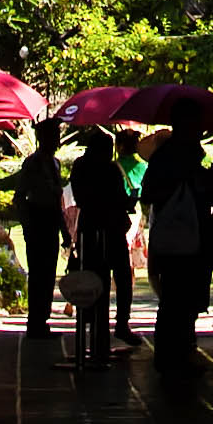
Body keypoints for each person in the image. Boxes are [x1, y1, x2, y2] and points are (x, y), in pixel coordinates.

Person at [145, 115, 213, 391]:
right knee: (181, 300)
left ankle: (173, 354)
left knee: (175, 299)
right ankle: (177, 353)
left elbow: (148, 193)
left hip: (175, 238)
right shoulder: (181, 162)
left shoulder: (163, 159)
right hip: (186, 238)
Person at [67, 117, 135, 353]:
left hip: (96, 227)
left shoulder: (83, 167)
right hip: (106, 229)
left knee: (105, 278)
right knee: (115, 278)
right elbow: (116, 198)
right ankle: (114, 323)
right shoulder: (105, 170)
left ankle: (105, 324)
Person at [12, 121, 66, 347]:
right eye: (52, 136)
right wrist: (28, 225)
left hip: (51, 222)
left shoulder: (54, 163)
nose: (56, 141)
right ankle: (35, 322)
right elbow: (20, 197)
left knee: (48, 275)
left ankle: (42, 319)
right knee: (37, 275)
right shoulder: (33, 164)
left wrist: (65, 230)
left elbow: (57, 201)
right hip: (37, 221)